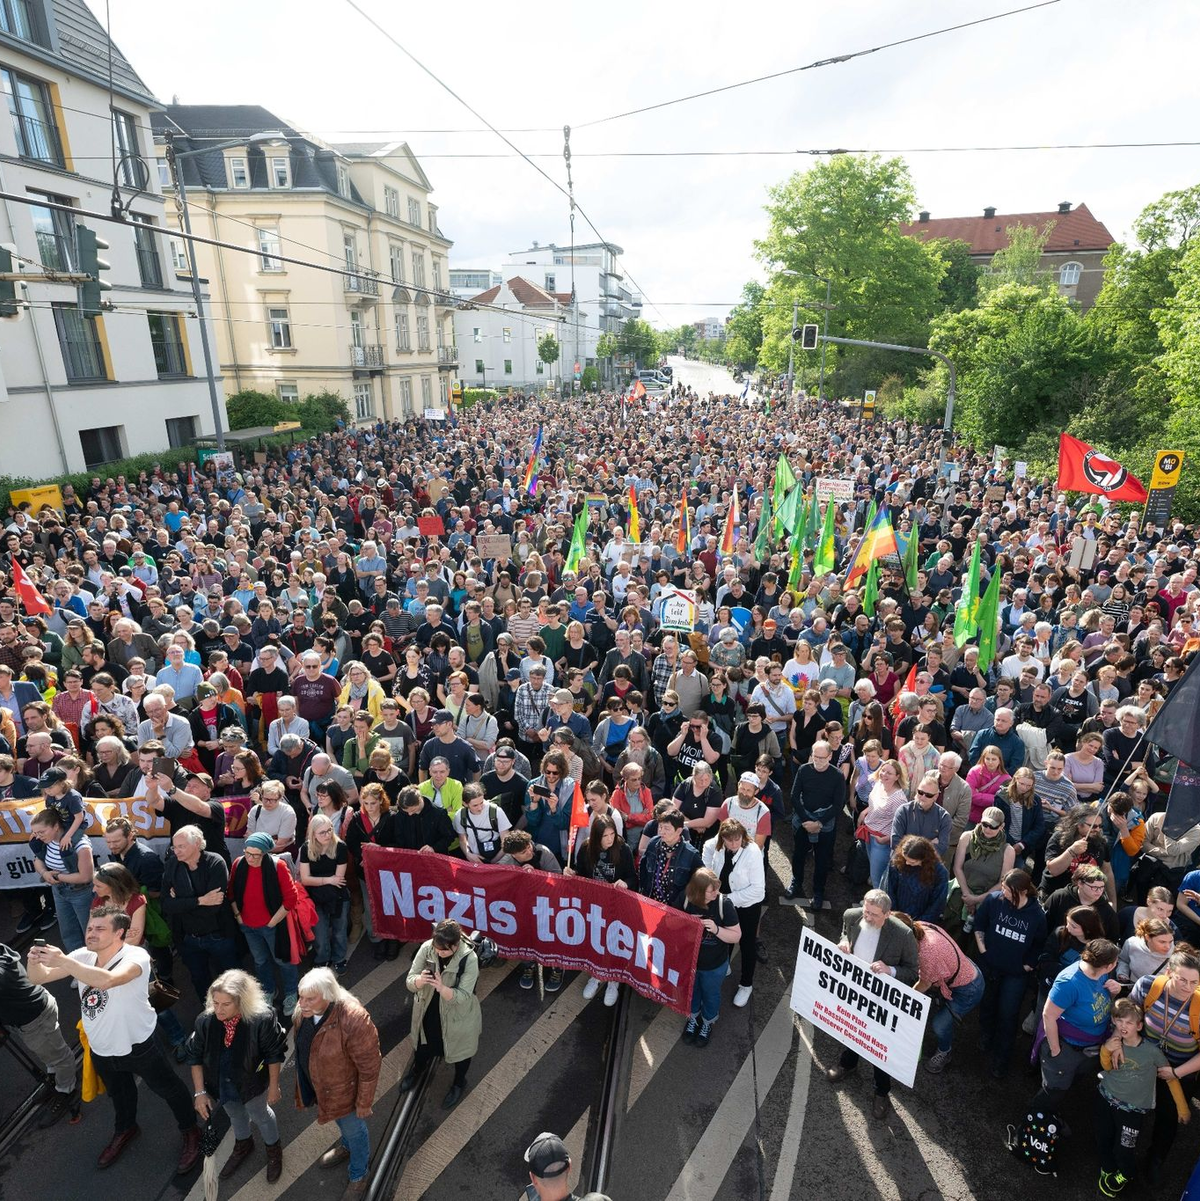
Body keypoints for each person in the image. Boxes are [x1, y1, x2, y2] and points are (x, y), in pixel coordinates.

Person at [27, 906, 201, 1172]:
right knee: (119, 1095)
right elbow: (38, 977)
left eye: (99, 929)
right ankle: (126, 1128)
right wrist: (34, 959)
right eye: (89, 928)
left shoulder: (137, 956)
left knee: (169, 1088)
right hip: (101, 1048)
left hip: (139, 1045)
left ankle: (191, 1130)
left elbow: (108, 980)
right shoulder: (83, 956)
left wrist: (64, 961)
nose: (91, 934)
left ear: (119, 933)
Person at [825, 889, 920, 1120]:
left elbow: (912, 971)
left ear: (887, 914)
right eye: (866, 911)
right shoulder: (852, 915)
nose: (867, 917)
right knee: (852, 1029)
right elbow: (845, 932)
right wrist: (844, 941)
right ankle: (848, 1064)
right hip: (856, 991)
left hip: (882, 999)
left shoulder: (903, 935)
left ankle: (881, 1091)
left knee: (878, 1044)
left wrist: (891, 971)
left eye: (874, 915)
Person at [186, 969, 287, 1184]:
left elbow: (273, 1054)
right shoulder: (205, 1021)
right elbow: (194, 1056)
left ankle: (274, 1150)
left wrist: (273, 1086)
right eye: (215, 1003)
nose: (218, 1010)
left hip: (251, 1084)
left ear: (242, 1002)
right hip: (221, 1085)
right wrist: (200, 1092)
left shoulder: (261, 1019)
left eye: (226, 1004)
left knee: (260, 1115)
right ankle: (244, 1143)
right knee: (235, 1115)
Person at [293, 967, 381, 1198]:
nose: (301, 1003)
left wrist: (363, 1103)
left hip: (346, 1093)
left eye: (310, 998)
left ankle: (359, 1174)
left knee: (355, 1129)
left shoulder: (354, 1020)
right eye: (300, 996)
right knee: (343, 1124)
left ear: (329, 995)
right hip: (324, 1089)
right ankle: (347, 1146)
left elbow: (370, 1067)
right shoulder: (304, 1010)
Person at [1096, 996, 1189, 1196]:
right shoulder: (1114, 1043)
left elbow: (1171, 1079)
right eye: (1119, 1021)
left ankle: (1127, 1174)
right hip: (1106, 1099)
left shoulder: (1152, 1052)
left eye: (1128, 1022)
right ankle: (1108, 1168)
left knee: (1124, 1150)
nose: (1123, 1026)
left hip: (1133, 1111)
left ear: (1139, 1026)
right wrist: (1106, 1050)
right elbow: (1106, 1067)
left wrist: (1182, 1108)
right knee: (1103, 1138)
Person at [1128, 949, 1200, 1182]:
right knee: (1129, 1106)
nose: (1188, 987)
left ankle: (1155, 1160)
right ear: (1169, 972)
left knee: (1168, 1118)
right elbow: (1129, 1015)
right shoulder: (1147, 986)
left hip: (1179, 1071)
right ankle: (1122, 1151)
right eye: (1182, 980)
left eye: (1194, 982)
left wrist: (1175, 1072)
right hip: (1143, 1063)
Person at [401, 918, 482, 1111]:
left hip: (457, 1015)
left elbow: (462, 997)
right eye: (437, 948)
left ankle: (459, 1082)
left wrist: (441, 987)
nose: (438, 953)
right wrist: (421, 980)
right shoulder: (428, 948)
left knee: (461, 1052)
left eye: (444, 950)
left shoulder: (469, 960)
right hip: (428, 1010)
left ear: (455, 945)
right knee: (423, 1044)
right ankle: (417, 1070)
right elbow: (410, 981)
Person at [1033, 938, 1122, 1114]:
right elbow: (1048, 1015)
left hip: (1089, 1047)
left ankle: (1051, 1116)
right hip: (1068, 1047)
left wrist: (1114, 992)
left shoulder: (1101, 973)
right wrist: (1056, 1051)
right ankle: (1035, 1123)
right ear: (1110, 965)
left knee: (1067, 1084)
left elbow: (1101, 1001)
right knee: (1053, 1091)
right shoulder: (1068, 983)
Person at [973, 869, 1047, 1078]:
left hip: (1016, 974)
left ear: (1023, 891)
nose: (1003, 892)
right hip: (990, 966)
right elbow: (980, 924)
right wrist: (983, 951)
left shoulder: (1036, 915)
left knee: (1008, 1014)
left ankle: (1001, 1058)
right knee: (987, 1003)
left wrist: (1027, 965)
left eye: (1008, 889)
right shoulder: (994, 901)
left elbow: (1040, 944)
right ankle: (986, 1035)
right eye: (1003, 887)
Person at [0, 940, 78, 1127]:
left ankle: (67, 1089)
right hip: (27, 1019)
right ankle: (55, 1077)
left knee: (58, 1056)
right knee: (47, 1053)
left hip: (35, 1020)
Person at [565, 814, 637, 1007]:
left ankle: (613, 980)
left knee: (613, 942)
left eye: (612, 834)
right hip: (594, 906)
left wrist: (626, 883)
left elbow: (633, 878)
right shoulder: (586, 849)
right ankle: (596, 975)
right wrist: (571, 873)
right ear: (596, 837)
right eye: (605, 835)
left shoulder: (623, 850)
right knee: (596, 941)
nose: (610, 839)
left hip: (616, 906)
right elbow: (581, 875)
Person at [229, 831, 301, 1016]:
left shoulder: (278, 867)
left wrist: (272, 922)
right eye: (247, 852)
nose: (250, 858)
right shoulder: (239, 863)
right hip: (248, 926)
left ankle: (292, 993)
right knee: (260, 961)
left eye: (255, 855)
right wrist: (238, 916)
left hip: (272, 925)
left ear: (265, 853)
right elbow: (231, 893)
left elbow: (291, 899)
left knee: (283, 960)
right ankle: (269, 990)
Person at [906, 917, 984, 1075]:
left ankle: (945, 1051)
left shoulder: (928, 954)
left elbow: (924, 984)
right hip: (963, 973)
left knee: (939, 1025)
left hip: (968, 989)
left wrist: (904, 999)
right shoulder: (920, 926)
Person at [701, 818, 765, 1007]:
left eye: (737, 840)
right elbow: (707, 850)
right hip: (724, 901)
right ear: (723, 838)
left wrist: (728, 899)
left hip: (747, 906)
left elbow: (758, 890)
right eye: (729, 840)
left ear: (743, 837)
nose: (734, 844)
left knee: (747, 944)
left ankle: (746, 985)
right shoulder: (718, 844)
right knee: (724, 938)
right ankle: (724, 967)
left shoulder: (752, 853)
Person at [681, 867, 740, 1047]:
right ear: (698, 891)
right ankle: (693, 1018)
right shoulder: (685, 900)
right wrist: (688, 921)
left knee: (711, 994)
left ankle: (707, 1023)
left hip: (714, 965)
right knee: (692, 993)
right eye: (711, 890)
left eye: (717, 887)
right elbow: (669, 922)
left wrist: (715, 929)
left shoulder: (724, 904)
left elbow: (736, 936)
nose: (716, 892)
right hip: (691, 963)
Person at [28, 804, 94, 951]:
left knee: (90, 933)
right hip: (59, 891)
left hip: (81, 893)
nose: (38, 836)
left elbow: (85, 877)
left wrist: (57, 876)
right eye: (35, 832)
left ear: (56, 827)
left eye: (41, 832)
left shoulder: (81, 845)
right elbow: (38, 860)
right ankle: (75, 964)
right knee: (68, 932)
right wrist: (45, 873)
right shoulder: (45, 840)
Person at [786, 740, 842, 907]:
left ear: (830, 756)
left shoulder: (837, 776)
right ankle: (796, 882)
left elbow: (838, 805)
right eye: (815, 757)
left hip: (825, 820)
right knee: (798, 854)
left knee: (822, 859)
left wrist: (818, 823)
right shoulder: (804, 770)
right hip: (804, 818)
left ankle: (818, 891)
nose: (818, 761)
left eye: (822, 758)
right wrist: (805, 820)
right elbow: (794, 797)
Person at [948, 807, 1015, 932]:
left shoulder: (1008, 850)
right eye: (985, 824)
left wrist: (977, 899)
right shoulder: (966, 837)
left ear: (1002, 826)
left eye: (993, 826)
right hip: (962, 892)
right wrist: (967, 896)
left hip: (987, 898)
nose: (987, 829)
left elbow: (1003, 882)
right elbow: (957, 868)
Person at [299, 813, 350, 973]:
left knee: (339, 931)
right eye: (322, 832)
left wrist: (320, 880)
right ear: (313, 834)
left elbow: (339, 878)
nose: (328, 835)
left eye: (330, 830)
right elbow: (305, 879)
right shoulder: (306, 848)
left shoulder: (340, 846)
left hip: (338, 896)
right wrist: (328, 880)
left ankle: (339, 958)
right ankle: (322, 958)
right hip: (315, 898)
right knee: (319, 934)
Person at [638, 809, 702, 910]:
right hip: (651, 904)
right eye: (660, 827)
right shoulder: (653, 844)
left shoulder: (691, 854)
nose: (661, 831)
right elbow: (643, 871)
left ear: (679, 830)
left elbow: (700, 884)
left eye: (666, 828)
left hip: (675, 910)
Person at [885, 835, 949, 925]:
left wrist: (920, 923)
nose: (907, 863)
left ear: (924, 858)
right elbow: (889, 890)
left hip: (923, 921)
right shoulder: (897, 862)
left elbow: (938, 902)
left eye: (912, 862)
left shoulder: (939, 872)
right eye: (905, 859)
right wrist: (896, 916)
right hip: (896, 917)